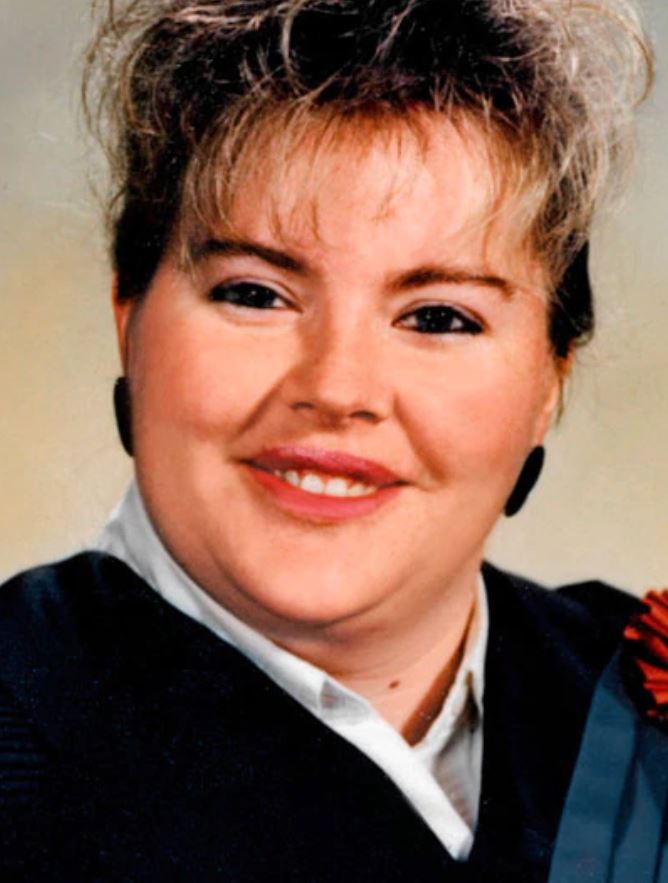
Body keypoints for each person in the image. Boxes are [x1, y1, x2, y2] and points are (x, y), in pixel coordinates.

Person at [0, 1, 664, 880]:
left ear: (551, 378)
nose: (338, 388)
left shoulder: (637, 706)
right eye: (255, 293)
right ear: (129, 316)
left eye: (439, 316)